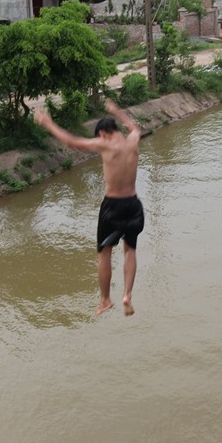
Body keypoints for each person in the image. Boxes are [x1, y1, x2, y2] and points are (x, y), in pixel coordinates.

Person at [34, 99, 145, 317]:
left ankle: (105, 300)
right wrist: (116, 110)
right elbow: (134, 127)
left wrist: (48, 123)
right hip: (133, 204)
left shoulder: (104, 145)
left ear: (102, 134)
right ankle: (127, 295)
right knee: (130, 249)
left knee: (104, 253)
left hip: (112, 205)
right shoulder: (132, 141)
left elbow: (72, 142)